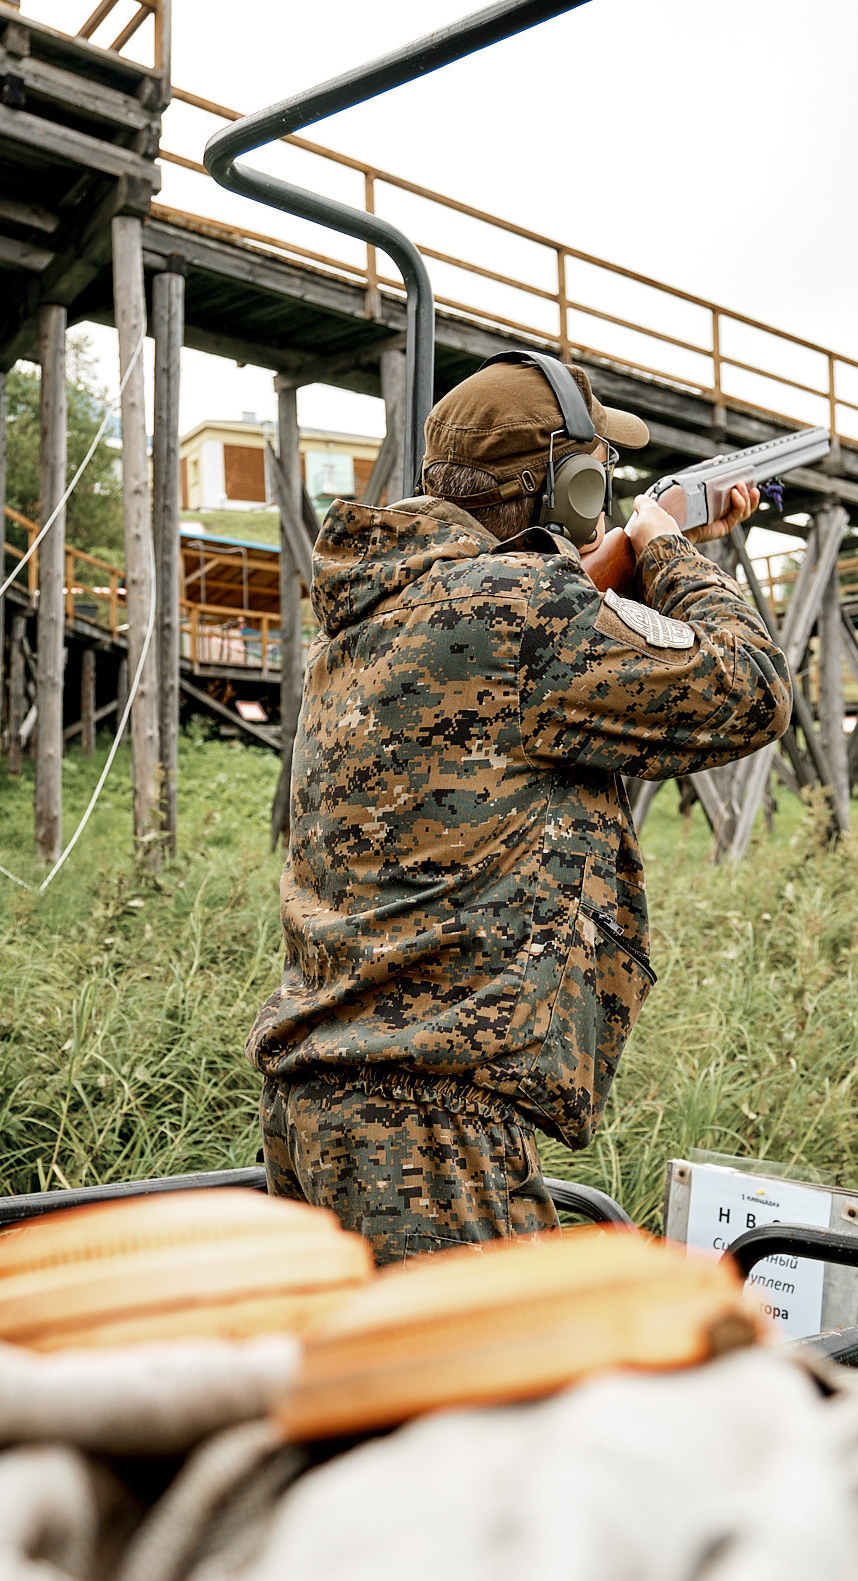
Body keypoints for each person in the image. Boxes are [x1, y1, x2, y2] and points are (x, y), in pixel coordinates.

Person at [250, 354, 792, 1264]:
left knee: (373, 1403)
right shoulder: (527, 610)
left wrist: (611, 571)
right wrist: (666, 544)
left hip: (320, 1103)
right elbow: (750, 688)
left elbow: (519, 662)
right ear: (572, 486)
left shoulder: (380, 608)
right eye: (600, 477)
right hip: (429, 1127)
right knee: (478, 1404)